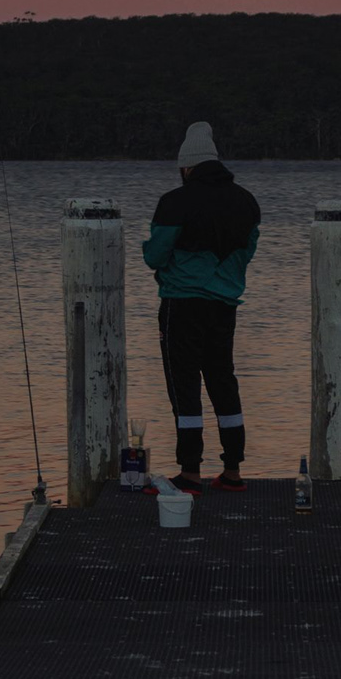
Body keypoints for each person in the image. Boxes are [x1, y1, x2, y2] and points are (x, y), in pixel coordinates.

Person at [141, 121, 261, 494]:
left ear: (186, 166)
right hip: (224, 305)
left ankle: (190, 473)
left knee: (184, 384)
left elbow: (154, 255)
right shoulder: (246, 202)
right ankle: (233, 471)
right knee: (223, 380)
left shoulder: (176, 201)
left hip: (182, 304)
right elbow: (248, 253)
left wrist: (172, 265)